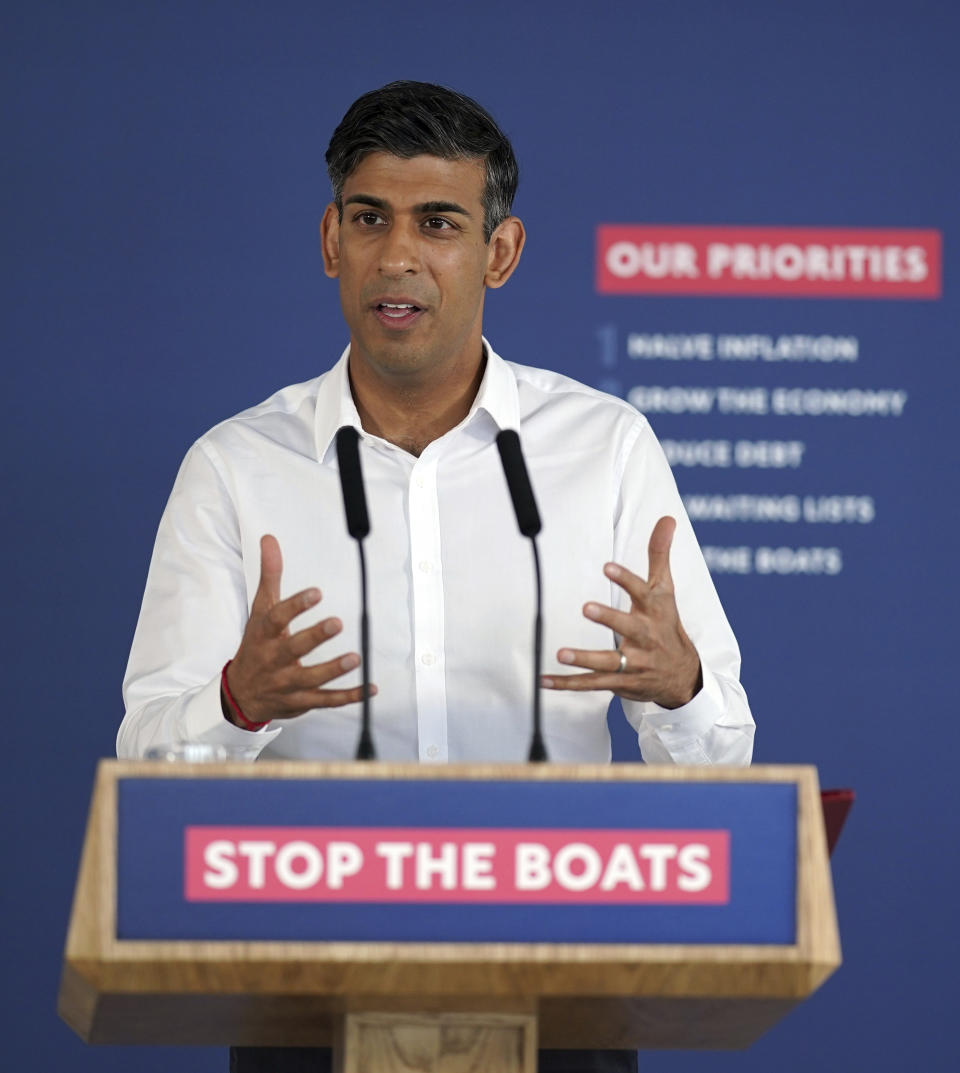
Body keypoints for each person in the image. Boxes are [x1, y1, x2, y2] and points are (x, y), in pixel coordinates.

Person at [119, 81, 755, 1073]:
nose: (398, 256)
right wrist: (237, 702)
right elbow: (146, 775)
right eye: (370, 219)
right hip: (304, 998)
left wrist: (681, 688)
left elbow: (720, 771)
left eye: (439, 223)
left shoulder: (607, 447)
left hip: (565, 995)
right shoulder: (235, 468)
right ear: (332, 239)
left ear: (499, 252)